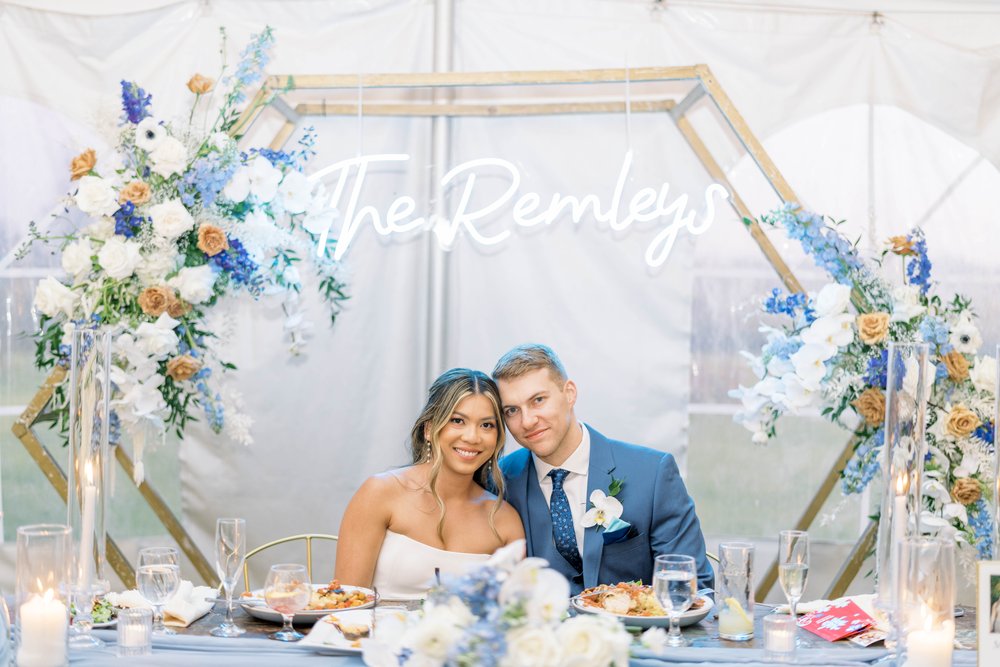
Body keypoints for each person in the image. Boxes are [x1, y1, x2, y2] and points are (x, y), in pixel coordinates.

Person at [494, 344, 713, 595]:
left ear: (569, 393)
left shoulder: (652, 474)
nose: (527, 421)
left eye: (538, 400)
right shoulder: (501, 480)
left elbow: (694, 588)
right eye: (512, 410)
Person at [335, 368, 525, 599]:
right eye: (457, 420)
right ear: (429, 428)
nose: (472, 437)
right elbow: (346, 607)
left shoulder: (504, 520)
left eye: (487, 425)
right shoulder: (380, 493)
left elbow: (513, 615)